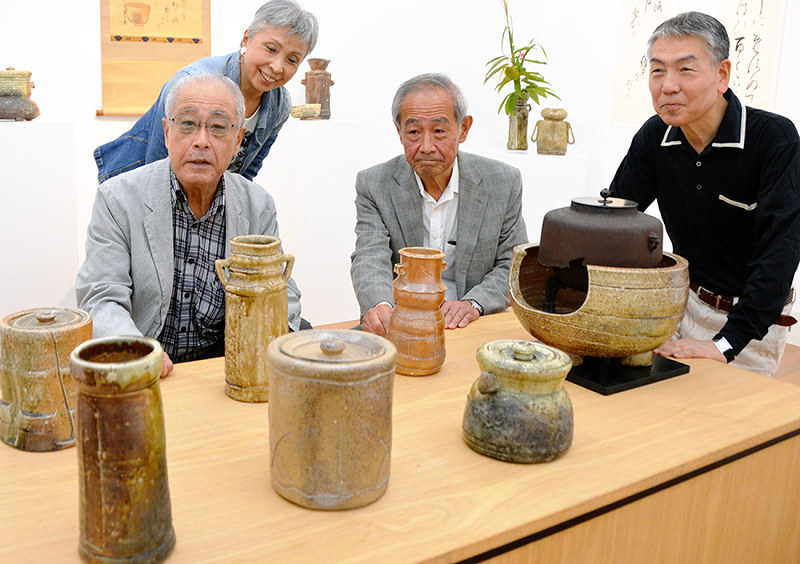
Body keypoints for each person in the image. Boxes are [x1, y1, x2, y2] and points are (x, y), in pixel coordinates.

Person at [609, 11, 800, 377]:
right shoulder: (656, 135)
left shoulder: (774, 139)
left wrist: (724, 343)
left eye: (685, 70)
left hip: (751, 322)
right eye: (658, 70)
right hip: (682, 303)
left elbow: (781, 253)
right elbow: (617, 215)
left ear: (722, 75)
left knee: (729, 426)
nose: (668, 85)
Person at [77, 73, 303, 377]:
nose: (201, 141)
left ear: (238, 141)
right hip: (148, 365)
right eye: (187, 124)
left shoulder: (257, 205)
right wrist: (139, 355)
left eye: (219, 127)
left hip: (224, 365)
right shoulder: (117, 198)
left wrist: (272, 344)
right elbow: (101, 296)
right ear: (167, 132)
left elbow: (281, 291)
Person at [350, 73, 528, 337]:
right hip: (403, 320)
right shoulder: (374, 184)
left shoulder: (503, 183)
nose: (426, 146)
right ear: (398, 132)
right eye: (413, 132)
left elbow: (511, 264)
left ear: (463, 129)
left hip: (473, 321)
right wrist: (381, 306)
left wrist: (474, 304)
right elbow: (369, 256)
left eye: (439, 131)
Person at [94, 0, 318, 183]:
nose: (277, 67)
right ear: (247, 38)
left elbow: (247, 173)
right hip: (135, 184)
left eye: (291, 59)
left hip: (203, 199)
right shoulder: (191, 83)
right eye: (271, 49)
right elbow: (159, 169)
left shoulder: (279, 105)